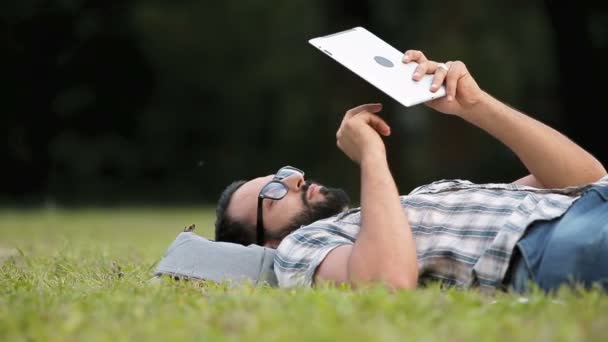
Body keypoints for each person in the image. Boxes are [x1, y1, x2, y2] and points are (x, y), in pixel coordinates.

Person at [214, 50, 608, 293]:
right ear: (264, 244)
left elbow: (586, 178)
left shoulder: (418, 199)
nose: (294, 179)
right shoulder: (300, 247)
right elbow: (385, 284)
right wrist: (371, 154)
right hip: (553, 241)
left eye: (283, 173)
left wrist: (475, 105)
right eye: (274, 193)